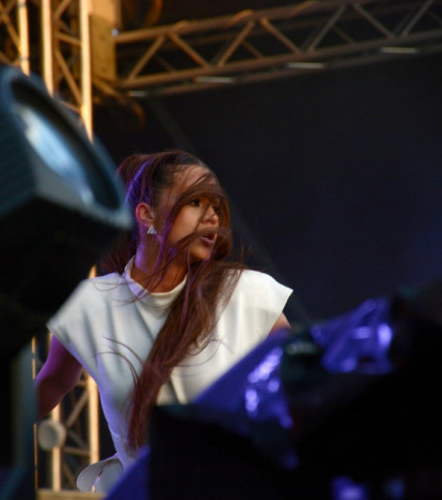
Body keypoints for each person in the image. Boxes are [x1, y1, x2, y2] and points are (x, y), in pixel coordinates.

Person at [35, 149, 292, 491]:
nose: (212, 217)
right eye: (195, 202)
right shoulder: (88, 304)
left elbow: (303, 378)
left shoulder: (247, 293)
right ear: (146, 215)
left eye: (215, 205)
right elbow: (52, 384)